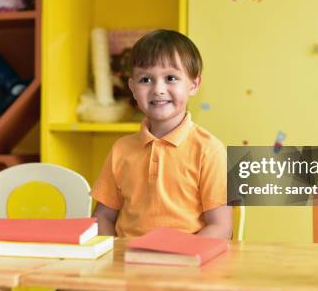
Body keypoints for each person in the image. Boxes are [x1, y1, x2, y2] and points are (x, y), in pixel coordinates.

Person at [91, 29, 232, 239]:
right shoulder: (121, 149)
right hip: (127, 265)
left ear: (193, 85)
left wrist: (180, 258)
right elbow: (102, 217)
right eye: (146, 80)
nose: (158, 89)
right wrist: (114, 257)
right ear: (132, 87)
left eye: (171, 78)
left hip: (187, 265)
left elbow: (221, 228)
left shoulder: (210, 150)